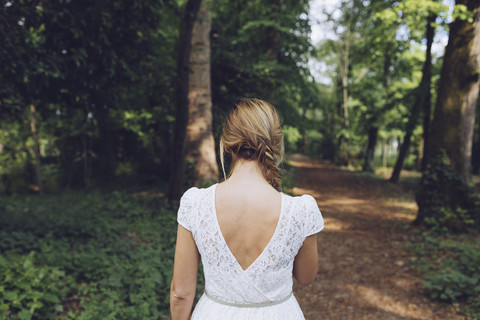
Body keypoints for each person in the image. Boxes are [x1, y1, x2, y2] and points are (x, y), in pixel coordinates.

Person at [170, 98, 324, 320]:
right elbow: (306, 276)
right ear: (276, 145)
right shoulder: (301, 210)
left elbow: (180, 294)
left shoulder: (195, 204)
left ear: (226, 144)